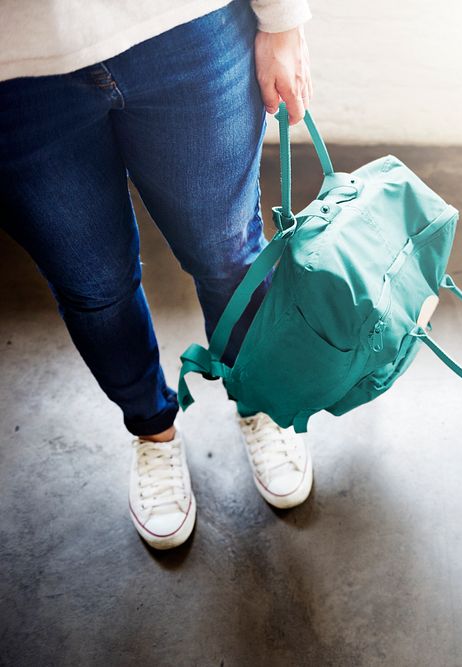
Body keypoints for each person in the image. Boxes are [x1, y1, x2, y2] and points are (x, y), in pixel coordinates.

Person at [0, 0, 316, 550]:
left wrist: (282, 17)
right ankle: (152, 430)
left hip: (184, 26)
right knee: (94, 289)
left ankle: (261, 400)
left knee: (229, 256)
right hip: (14, 72)